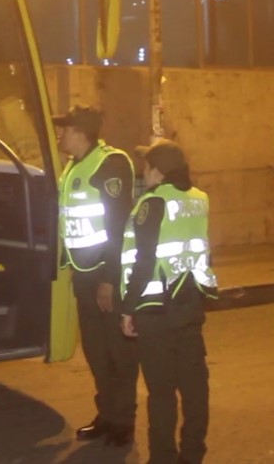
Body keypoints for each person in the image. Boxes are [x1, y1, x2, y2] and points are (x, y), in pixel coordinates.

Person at [120, 139, 218, 464]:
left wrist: (127, 308)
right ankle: (192, 455)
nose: (143, 173)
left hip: (155, 312)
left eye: (146, 167)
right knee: (194, 390)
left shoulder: (153, 203)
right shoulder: (199, 198)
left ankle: (162, 458)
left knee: (161, 394)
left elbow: (144, 261)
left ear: (158, 171)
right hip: (189, 306)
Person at [54, 105, 138, 446]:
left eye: (65, 128)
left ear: (81, 132)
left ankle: (123, 421)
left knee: (118, 352)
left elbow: (118, 226)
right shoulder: (74, 166)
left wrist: (109, 279)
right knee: (95, 350)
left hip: (106, 275)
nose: (60, 133)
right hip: (84, 273)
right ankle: (107, 415)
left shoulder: (110, 164)